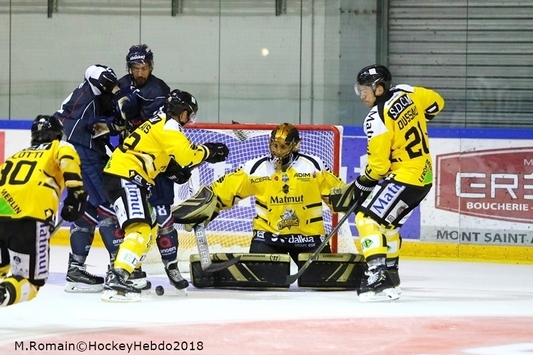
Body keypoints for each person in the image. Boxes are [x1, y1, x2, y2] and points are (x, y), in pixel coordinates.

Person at [330, 64, 445, 302]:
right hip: (423, 177)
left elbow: (379, 167)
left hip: (404, 176)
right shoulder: (408, 93)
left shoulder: (376, 118)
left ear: (379, 89)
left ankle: (377, 277)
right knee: (388, 227)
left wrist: (363, 182)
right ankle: (391, 279)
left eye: (365, 90)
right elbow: (437, 103)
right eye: (359, 89)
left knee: (366, 218)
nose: (362, 95)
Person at [101, 89, 229, 302]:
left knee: (149, 229)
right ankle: (118, 277)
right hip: (127, 177)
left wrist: (171, 168)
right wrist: (209, 151)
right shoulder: (170, 126)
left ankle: (124, 272)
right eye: (188, 113)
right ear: (181, 112)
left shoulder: (158, 121)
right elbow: (188, 156)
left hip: (125, 176)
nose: (188, 119)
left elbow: (153, 152)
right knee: (139, 228)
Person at [208, 123, 346, 264]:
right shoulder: (255, 168)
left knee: (319, 282)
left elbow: (341, 196)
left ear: (295, 146)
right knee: (265, 282)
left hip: (308, 238)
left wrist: (358, 195)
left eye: (283, 147)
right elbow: (224, 189)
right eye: (274, 146)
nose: (278, 151)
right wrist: (205, 202)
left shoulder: (313, 166)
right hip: (267, 238)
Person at [55, 64, 128, 293]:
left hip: (73, 149)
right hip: (81, 152)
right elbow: (94, 73)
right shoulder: (93, 91)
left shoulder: (90, 96)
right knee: (108, 205)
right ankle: (119, 269)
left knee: (86, 211)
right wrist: (119, 94)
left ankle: (75, 270)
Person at [0, 115, 87, 307]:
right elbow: (67, 159)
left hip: (2, 213)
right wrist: (75, 193)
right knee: (30, 282)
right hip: (31, 216)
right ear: (58, 134)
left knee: (2, 266)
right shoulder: (60, 146)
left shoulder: (17, 155)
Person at [116, 44, 179, 288]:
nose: (140, 73)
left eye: (144, 68)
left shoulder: (159, 89)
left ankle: (171, 267)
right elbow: (113, 119)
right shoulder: (120, 85)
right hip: (132, 165)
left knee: (163, 217)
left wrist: (131, 111)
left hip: (157, 164)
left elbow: (155, 126)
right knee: (132, 221)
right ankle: (132, 269)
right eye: (135, 68)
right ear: (129, 68)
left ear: (151, 67)